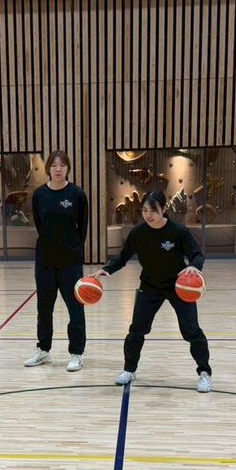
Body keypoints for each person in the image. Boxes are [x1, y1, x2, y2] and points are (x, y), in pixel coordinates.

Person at [93, 190, 213, 393]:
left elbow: (197, 255)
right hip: (149, 287)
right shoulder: (138, 233)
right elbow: (122, 257)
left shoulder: (178, 231)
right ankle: (129, 370)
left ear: (164, 209)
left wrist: (194, 266)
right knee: (136, 330)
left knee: (191, 331)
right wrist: (107, 269)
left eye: (153, 210)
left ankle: (204, 373)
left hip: (178, 287)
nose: (148, 215)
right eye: (145, 210)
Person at [25, 150, 89, 372]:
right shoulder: (39, 195)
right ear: (48, 169)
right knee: (44, 308)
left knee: (75, 309)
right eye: (54, 165)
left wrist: (73, 250)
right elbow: (40, 224)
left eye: (62, 165)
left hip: (70, 262)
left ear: (68, 168)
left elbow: (82, 228)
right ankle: (43, 350)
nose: (58, 169)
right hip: (44, 262)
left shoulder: (77, 195)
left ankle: (76, 353)